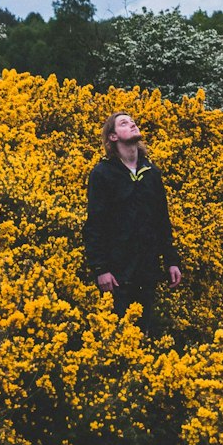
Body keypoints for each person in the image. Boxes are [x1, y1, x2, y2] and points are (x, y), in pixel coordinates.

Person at [83, 111, 182, 329]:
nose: (132, 124)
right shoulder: (102, 174)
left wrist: (171, 260)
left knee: (143, 328)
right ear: (113, 137)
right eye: (124, 123)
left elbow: (162, 221)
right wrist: (100, 269)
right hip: (117, 272)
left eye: (133, 121)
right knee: (118, 332)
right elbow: (95, 225)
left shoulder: (151, 173)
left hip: (147, 268)